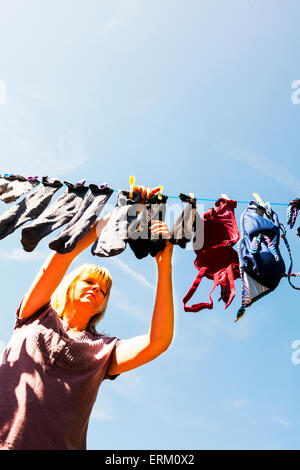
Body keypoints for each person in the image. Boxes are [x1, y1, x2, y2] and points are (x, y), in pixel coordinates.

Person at [0, 185, 174, 450]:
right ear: (69, 287)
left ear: (101, 306)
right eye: (90, 281)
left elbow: (158, 341)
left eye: (103, 290)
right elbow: (61, 256)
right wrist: (115, 219)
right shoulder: (34, 314)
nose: (97, 289)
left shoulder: (104, 351)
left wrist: (164, 266)